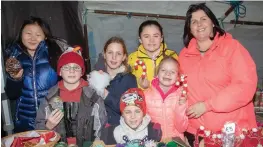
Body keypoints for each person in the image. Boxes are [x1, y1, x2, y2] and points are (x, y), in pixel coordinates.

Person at [179, 3, 257, 146]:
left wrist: (207, 105)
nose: (199, 24)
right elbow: (180, 86)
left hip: (232, 133)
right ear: (189, 29)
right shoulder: (184, 55)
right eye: (194, 21)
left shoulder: (232, 48)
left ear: (213, 23)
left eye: (203, 19)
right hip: (196, 132)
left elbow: (245, 85)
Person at [35, 46, 107, 146]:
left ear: (82, 72)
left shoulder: (93, 96)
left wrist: (95, 143)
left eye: (76, 67)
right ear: (60, 71)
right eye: (66, 67)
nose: (71, 71)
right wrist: (48, 126)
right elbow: (39, 128)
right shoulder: (50, 97)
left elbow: (101, 125)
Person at [4, 16, 63, 132]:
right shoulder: (13, 57)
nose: (32, 38)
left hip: (51, 119)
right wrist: (16, 79)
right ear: (21, 35)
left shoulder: (55, 55)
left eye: (38, 34)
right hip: (24, 122)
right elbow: (11, 95)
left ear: (45, 36)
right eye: (28, 33)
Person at [94, 36, 137, 125]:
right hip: (99, 131)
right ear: (104, 55)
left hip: (121, 130)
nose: (114, 57)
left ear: (124, 57)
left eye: (118, 54)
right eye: (110, 53)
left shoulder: (129, 79)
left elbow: (131, 110)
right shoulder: (96, 77)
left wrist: (107, 95)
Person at [144, 56, 188, 140]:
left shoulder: (181, 96)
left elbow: (182, 128)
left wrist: (181, 106)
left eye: (172, 72)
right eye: (163, 70)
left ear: (178, 77)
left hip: (175, 141)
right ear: (157, 74)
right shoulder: (146, 95)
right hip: (154, 142)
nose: (167, 74)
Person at [128, 20, 178, 89]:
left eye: (156, 36)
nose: (151, 40)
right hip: (140, 98)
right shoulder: (132, 58)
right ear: (140, 39)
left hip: (167, 98)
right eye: (146, 36)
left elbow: (179, 80)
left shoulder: (172, 56)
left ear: (161, 38)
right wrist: (140, 86)